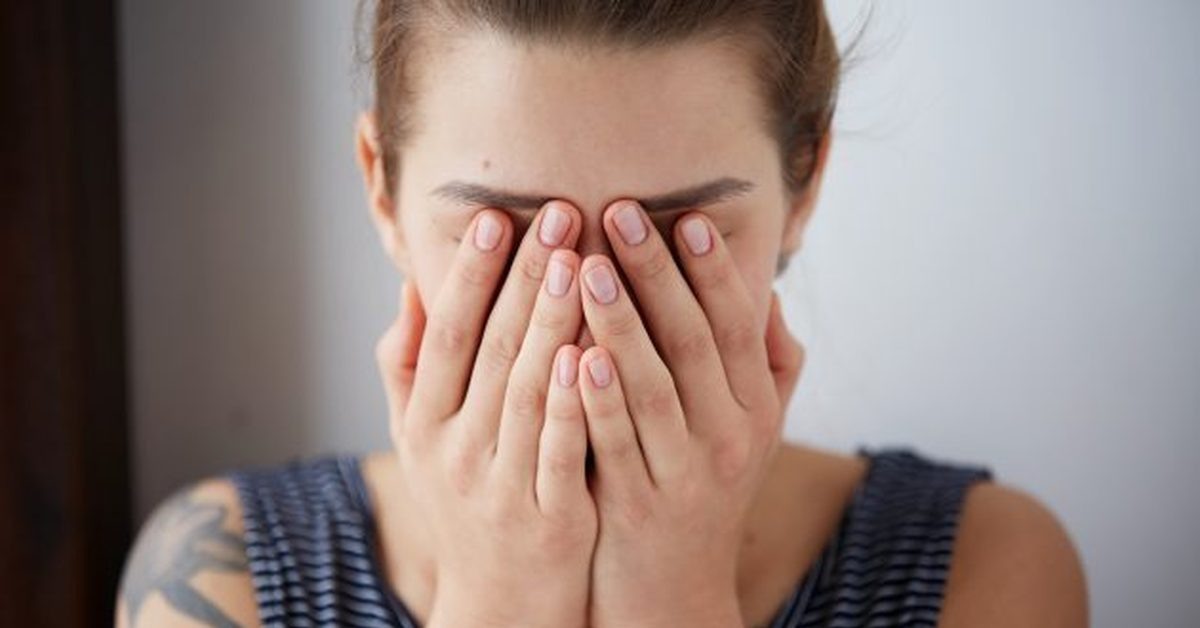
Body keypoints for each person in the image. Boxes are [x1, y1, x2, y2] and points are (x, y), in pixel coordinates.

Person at [115, 1, 1088, 626]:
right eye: (503, 233)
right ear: (383, 190)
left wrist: (672, 590)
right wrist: (502, 594)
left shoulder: (982, 568)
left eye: (674, 236)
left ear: (806, 182)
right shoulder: (227, 574)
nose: (586, 314)